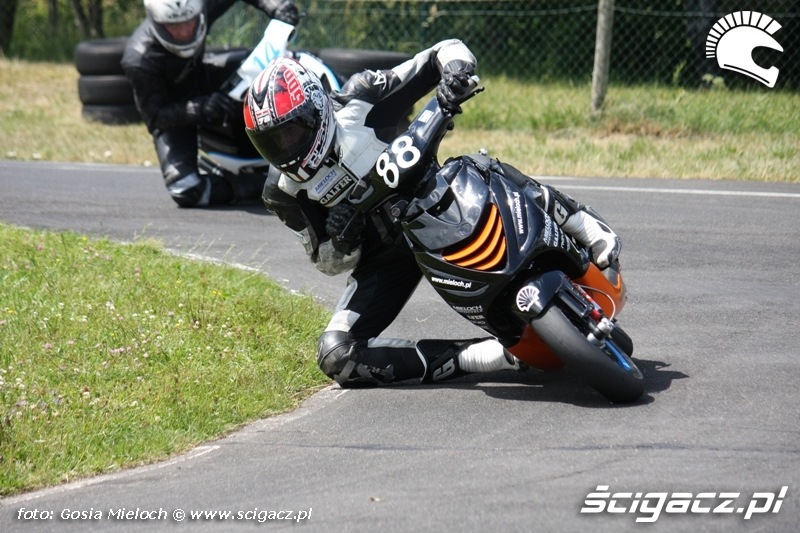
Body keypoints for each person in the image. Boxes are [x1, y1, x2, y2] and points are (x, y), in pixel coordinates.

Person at [243, 41, 622, 386]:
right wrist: (342, 239)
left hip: (438, 194)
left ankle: (581, 222)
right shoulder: (281, 193)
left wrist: (455, 74)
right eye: (270, 142)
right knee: (336, 354)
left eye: (291, 132)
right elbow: (324, 261)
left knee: (481, 167)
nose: (284, 148)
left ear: (316, 109)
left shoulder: (362, 96)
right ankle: (484, 357)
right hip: (385, 257)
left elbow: (443, 51)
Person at [121, 0, 299, 207]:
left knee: (264, 68)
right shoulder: (139, 60)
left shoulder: (199, 6)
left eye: (189, 22)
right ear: (156, 22)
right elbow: (155, 117)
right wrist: (198, 109)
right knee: (185, 189)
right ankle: (262, 185)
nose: (185, 31)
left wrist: (277, 6)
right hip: (174, 112)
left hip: (201, 76)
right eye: (174, 26)